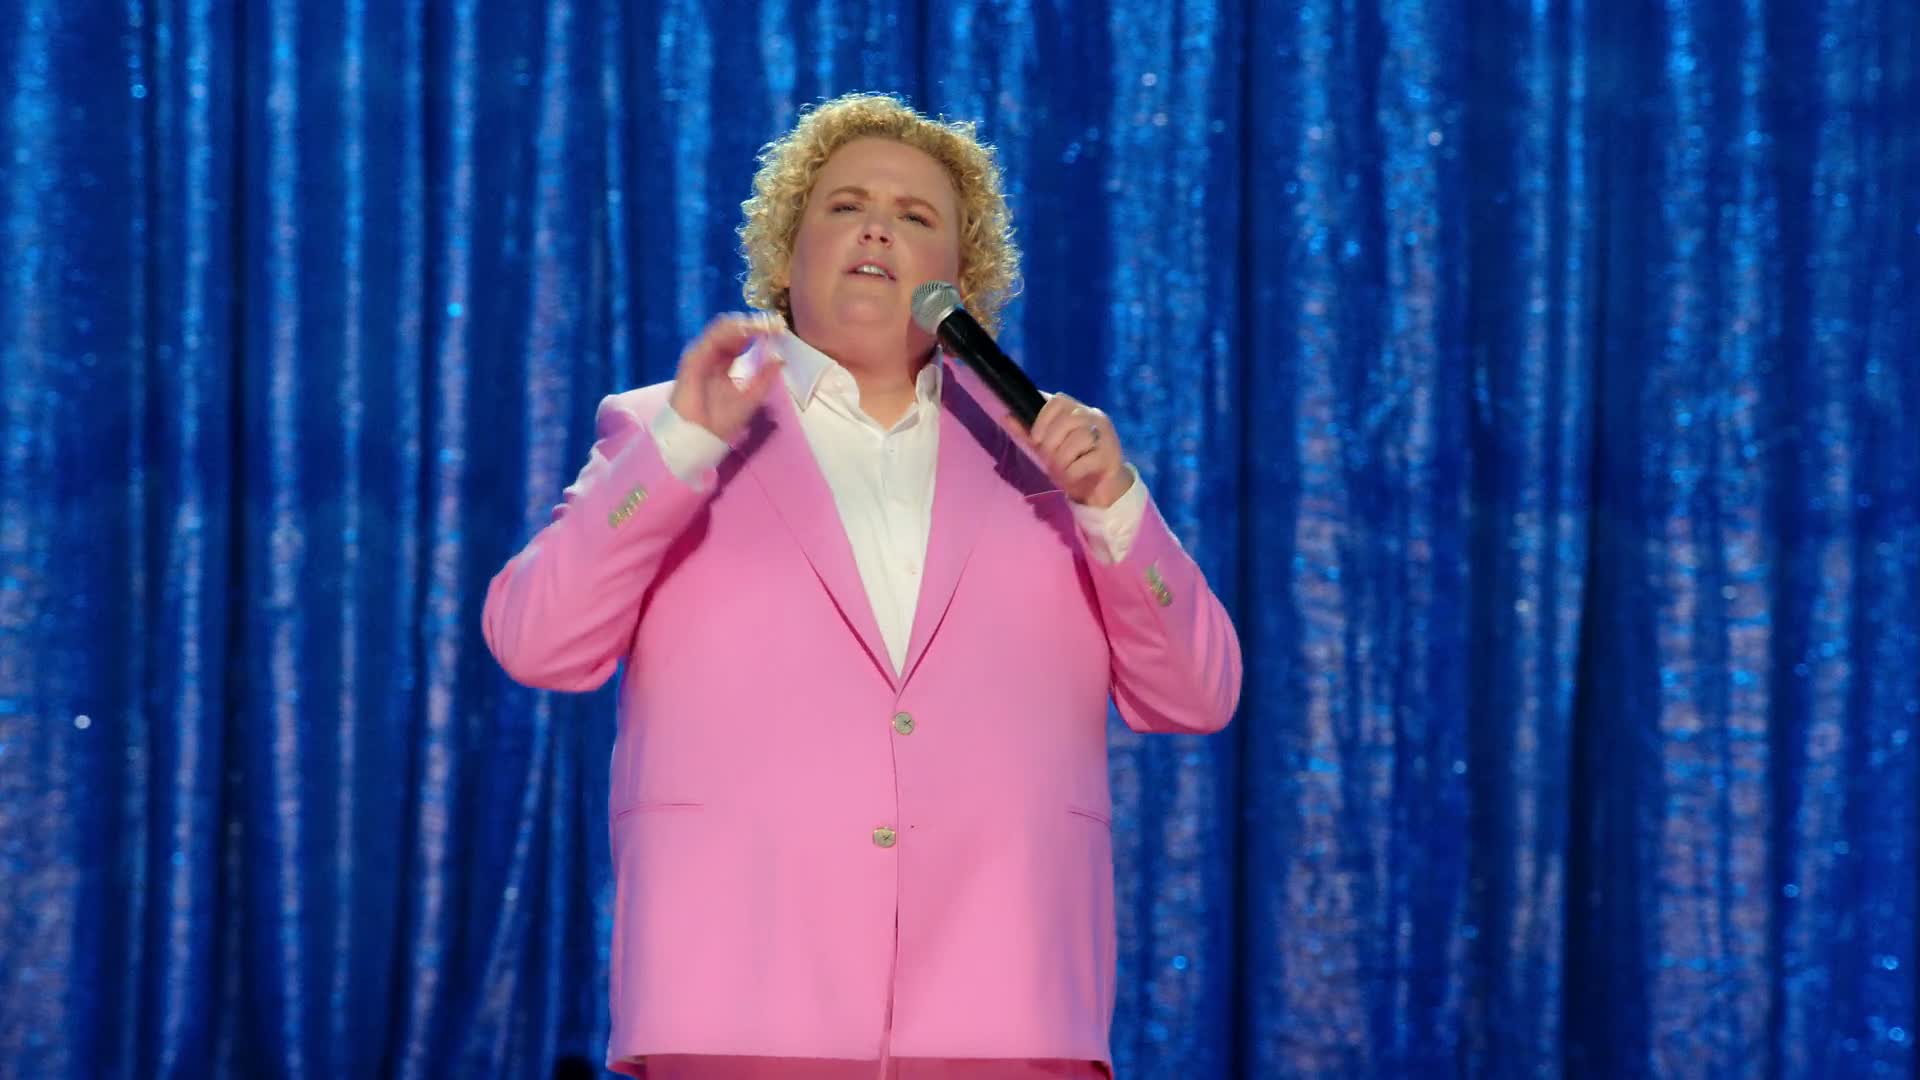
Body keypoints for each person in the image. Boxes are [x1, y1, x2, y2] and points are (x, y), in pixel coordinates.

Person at [482, 92, 1242, 1080]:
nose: (878, 227)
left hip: (1008, 1013)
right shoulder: (667, 427)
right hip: (737, 1009)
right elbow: (537, 641)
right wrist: (682, 446)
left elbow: (1198, 694)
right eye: (845, 206)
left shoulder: (1052, 458)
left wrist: (1114, 505)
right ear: (787, 256)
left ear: (960, 282)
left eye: (916, 216)